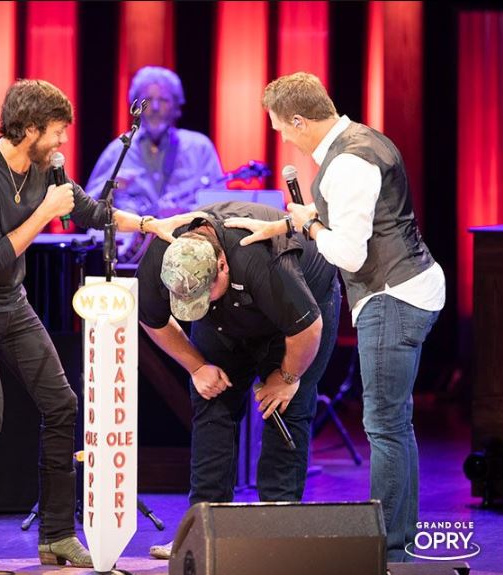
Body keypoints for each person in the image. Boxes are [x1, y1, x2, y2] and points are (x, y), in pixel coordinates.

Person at [0, 79, 203, 570]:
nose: (62, 144)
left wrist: (148, 225)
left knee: (61, 405)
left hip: (10, 301)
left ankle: (57, 533)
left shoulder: (45, 169)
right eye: (56, 133)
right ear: (30, 128)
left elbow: (92, 211)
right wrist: (43, 213)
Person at [225, 72, 445, 561]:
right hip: (409, 288)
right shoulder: (364, 138)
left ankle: (388, 550)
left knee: (385, 425)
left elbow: (345, 250)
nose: (281, 135)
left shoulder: (347, 164)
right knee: (396, 423)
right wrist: (283, 225)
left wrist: (309, 222)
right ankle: (398, 540)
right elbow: (337, 223)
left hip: (395, 296)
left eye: (281, 126)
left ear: (300, 120)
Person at [137, 201, 341, 559]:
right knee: (212, 403)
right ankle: (199, 533)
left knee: (284, 410)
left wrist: (287, 377)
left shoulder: (262, 260)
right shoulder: (162, 257)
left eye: (203, 293)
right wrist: (197, 367)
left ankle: (276, 538)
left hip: (300, 314)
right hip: (224, 319)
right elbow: (152, 321)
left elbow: (308, 328)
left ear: (221, 264)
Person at [85, 66, 227, 218]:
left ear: (176, 106)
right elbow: (86, 208)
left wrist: (186, 211)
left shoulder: (200, 147)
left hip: (186, 237)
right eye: (148, 100)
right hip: (130, 238)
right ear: (136, 105)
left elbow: (221, 206)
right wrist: (111, 186)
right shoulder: (118, 148)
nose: (155, 107)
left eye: (164, 100)